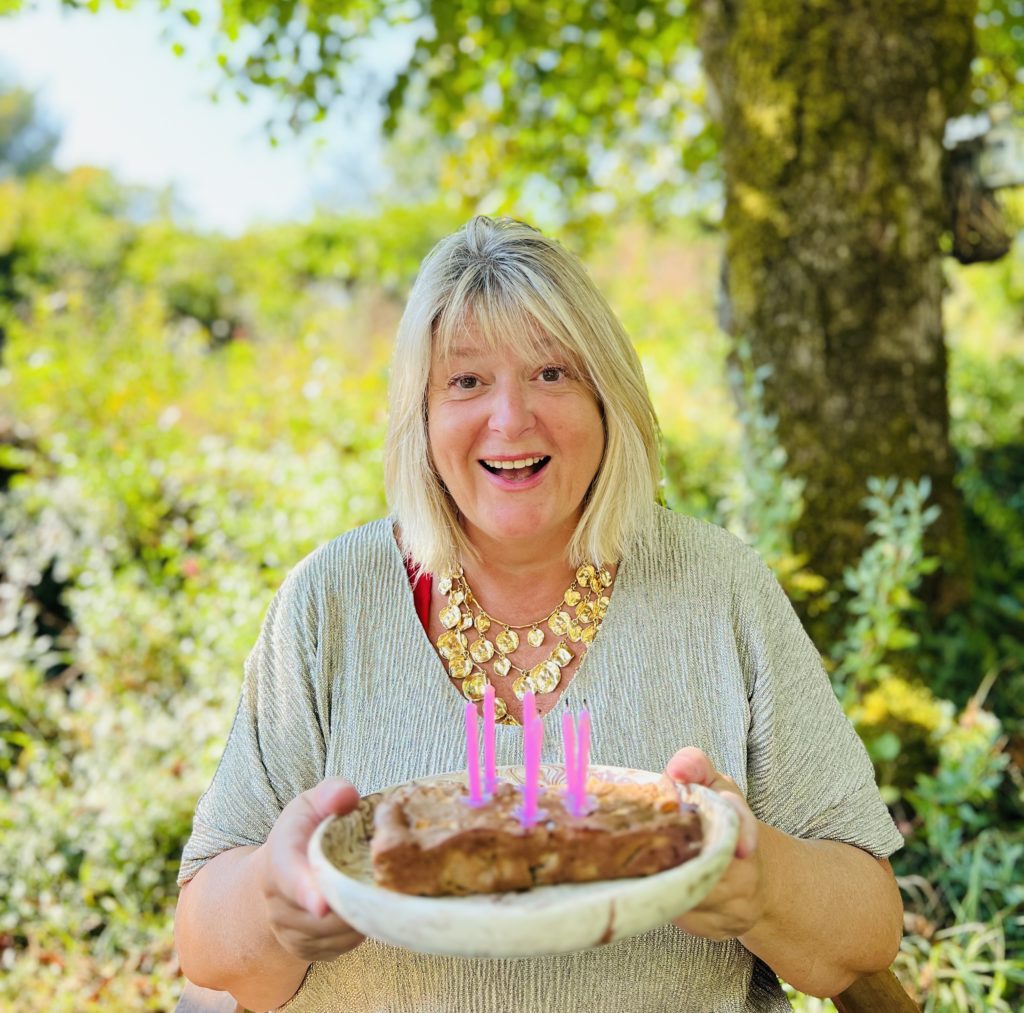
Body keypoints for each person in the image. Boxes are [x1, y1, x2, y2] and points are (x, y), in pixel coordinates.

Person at [174, 215, 904, 1012]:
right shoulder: (332, 597)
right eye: (465, 381)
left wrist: (763, 883)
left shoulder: (721, 588)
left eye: (552, 373)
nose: (511, 420)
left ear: (608, 397)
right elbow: (208, 948)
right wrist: (273, 903)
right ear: (420, 417)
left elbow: (867, 928)